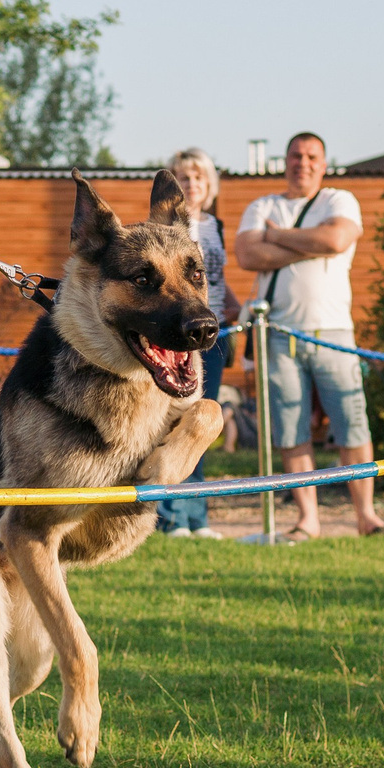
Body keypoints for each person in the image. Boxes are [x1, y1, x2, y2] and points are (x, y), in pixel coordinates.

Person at [235, 132, 384, 539]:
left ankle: (366, 516)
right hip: (278, 335)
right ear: (284, 161)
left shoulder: (339, 200)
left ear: (323, 164)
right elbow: (249, 254)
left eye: (311, 156)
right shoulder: (262, 206)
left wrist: (277, 236)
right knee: (291, 428)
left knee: (352, 423)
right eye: (295, 155)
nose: (302, 163)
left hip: (334, 332)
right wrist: (311, 244)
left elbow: (336, 239)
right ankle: (308, 519)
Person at [157, 148, 238, 538]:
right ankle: (172, 518)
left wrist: (238, 306)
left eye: (199, 178)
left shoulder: (215, 227)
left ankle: (198, 518)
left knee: (204, 425)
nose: (192, 185)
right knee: (177, 424)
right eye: (184, 178)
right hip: (179, 333)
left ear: (211, 185)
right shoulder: (171, 232)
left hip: (213, 333)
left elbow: (216, 279)